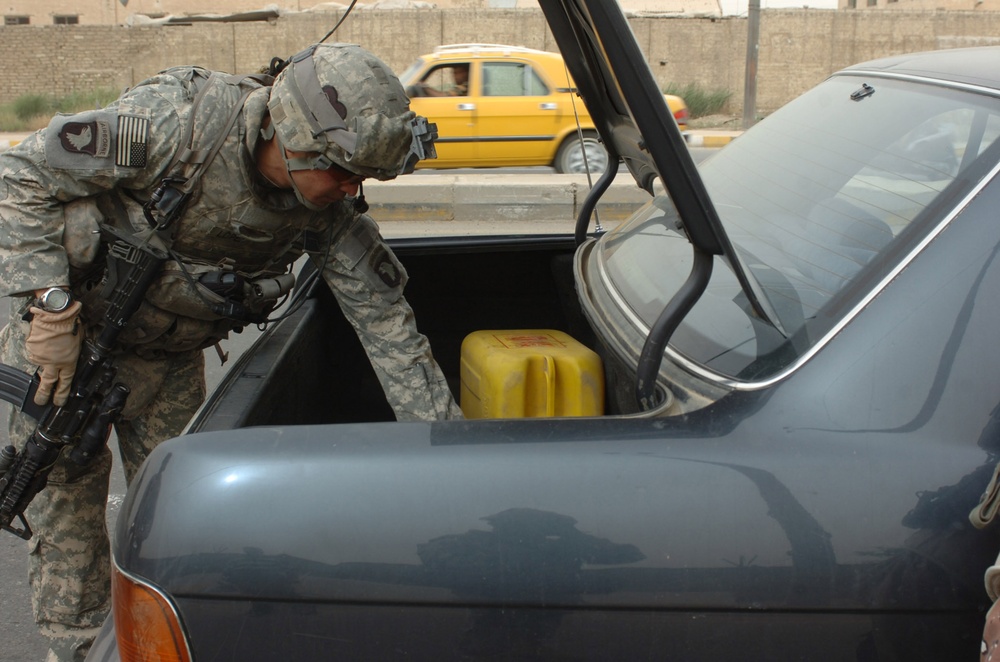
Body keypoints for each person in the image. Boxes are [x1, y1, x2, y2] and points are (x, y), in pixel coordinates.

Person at [0, 42, 462, 661]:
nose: (353, 189)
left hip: (168, 359)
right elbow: (21, 175)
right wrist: (48, 303)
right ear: (292, 139)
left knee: (181, 512)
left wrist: (451, 461)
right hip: (69, 340)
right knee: (67, 499)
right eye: (344, 171)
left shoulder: (324, 209)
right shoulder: (176, 125)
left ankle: (169, 635)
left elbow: (387, 326)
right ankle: (78, 647)